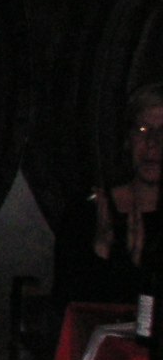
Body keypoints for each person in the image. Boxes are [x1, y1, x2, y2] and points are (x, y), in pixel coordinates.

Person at [52, 82, 163, 311]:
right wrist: (101, 251)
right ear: (128, 140)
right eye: (143, 131)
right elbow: (66, 309)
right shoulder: (87, 213)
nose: (153, 144)